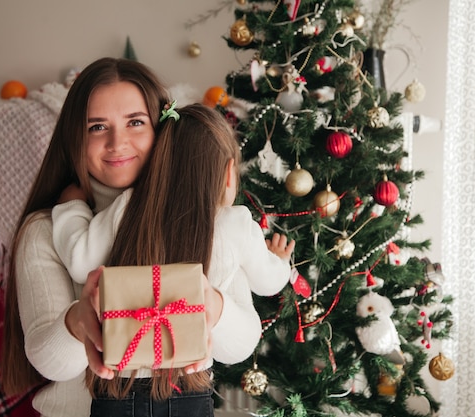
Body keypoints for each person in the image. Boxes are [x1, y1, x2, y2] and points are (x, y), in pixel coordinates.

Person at [0, 58, 269, 417]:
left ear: (164, 129)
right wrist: (78, 321)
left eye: (136, 122)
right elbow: (50, 362)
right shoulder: (45, 230)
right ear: (74, 137)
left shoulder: (205, 222)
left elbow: (241, 345)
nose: (117, 142)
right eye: (97, 127)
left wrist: (213, 306)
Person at [49, 103, 294, 416]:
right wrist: (279, 261)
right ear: (228, 173)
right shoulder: (236, 223)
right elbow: (268, 282)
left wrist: (71, 207)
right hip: (188, 386)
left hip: (118, 384)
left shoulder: (126, 206)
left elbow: (80, 260)